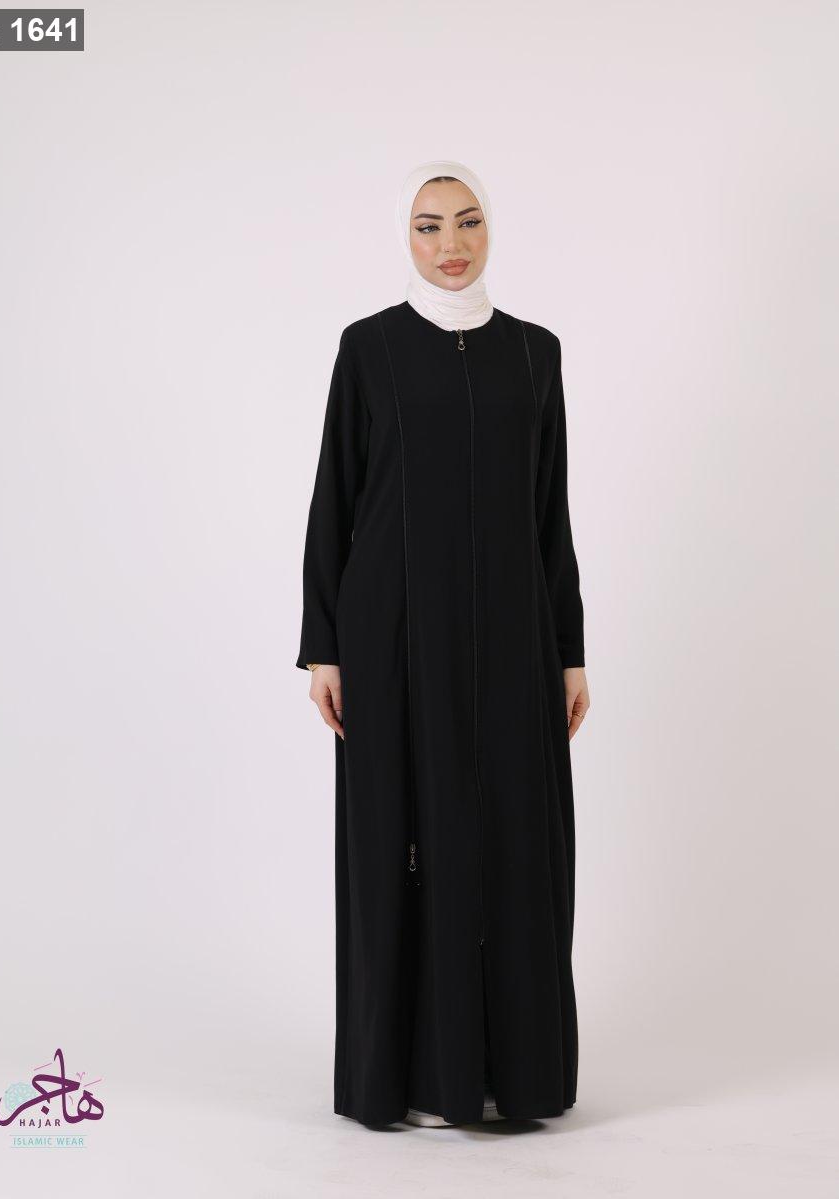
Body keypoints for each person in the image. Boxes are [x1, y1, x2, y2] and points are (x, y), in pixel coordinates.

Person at [296, 159, 590, 1129]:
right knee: (406, 841)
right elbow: (334, 499)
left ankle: (511, 1073)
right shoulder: (369, 349)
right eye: (429, 226)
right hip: (392, 640)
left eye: (467, 222)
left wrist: (569, 650)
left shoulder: (535, 354)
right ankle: (413, 1077)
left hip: (512, 640)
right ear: (406, 237)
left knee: (513, 841)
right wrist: (325, 646)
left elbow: (549, 513)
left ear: (490, 229)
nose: (450, 244)